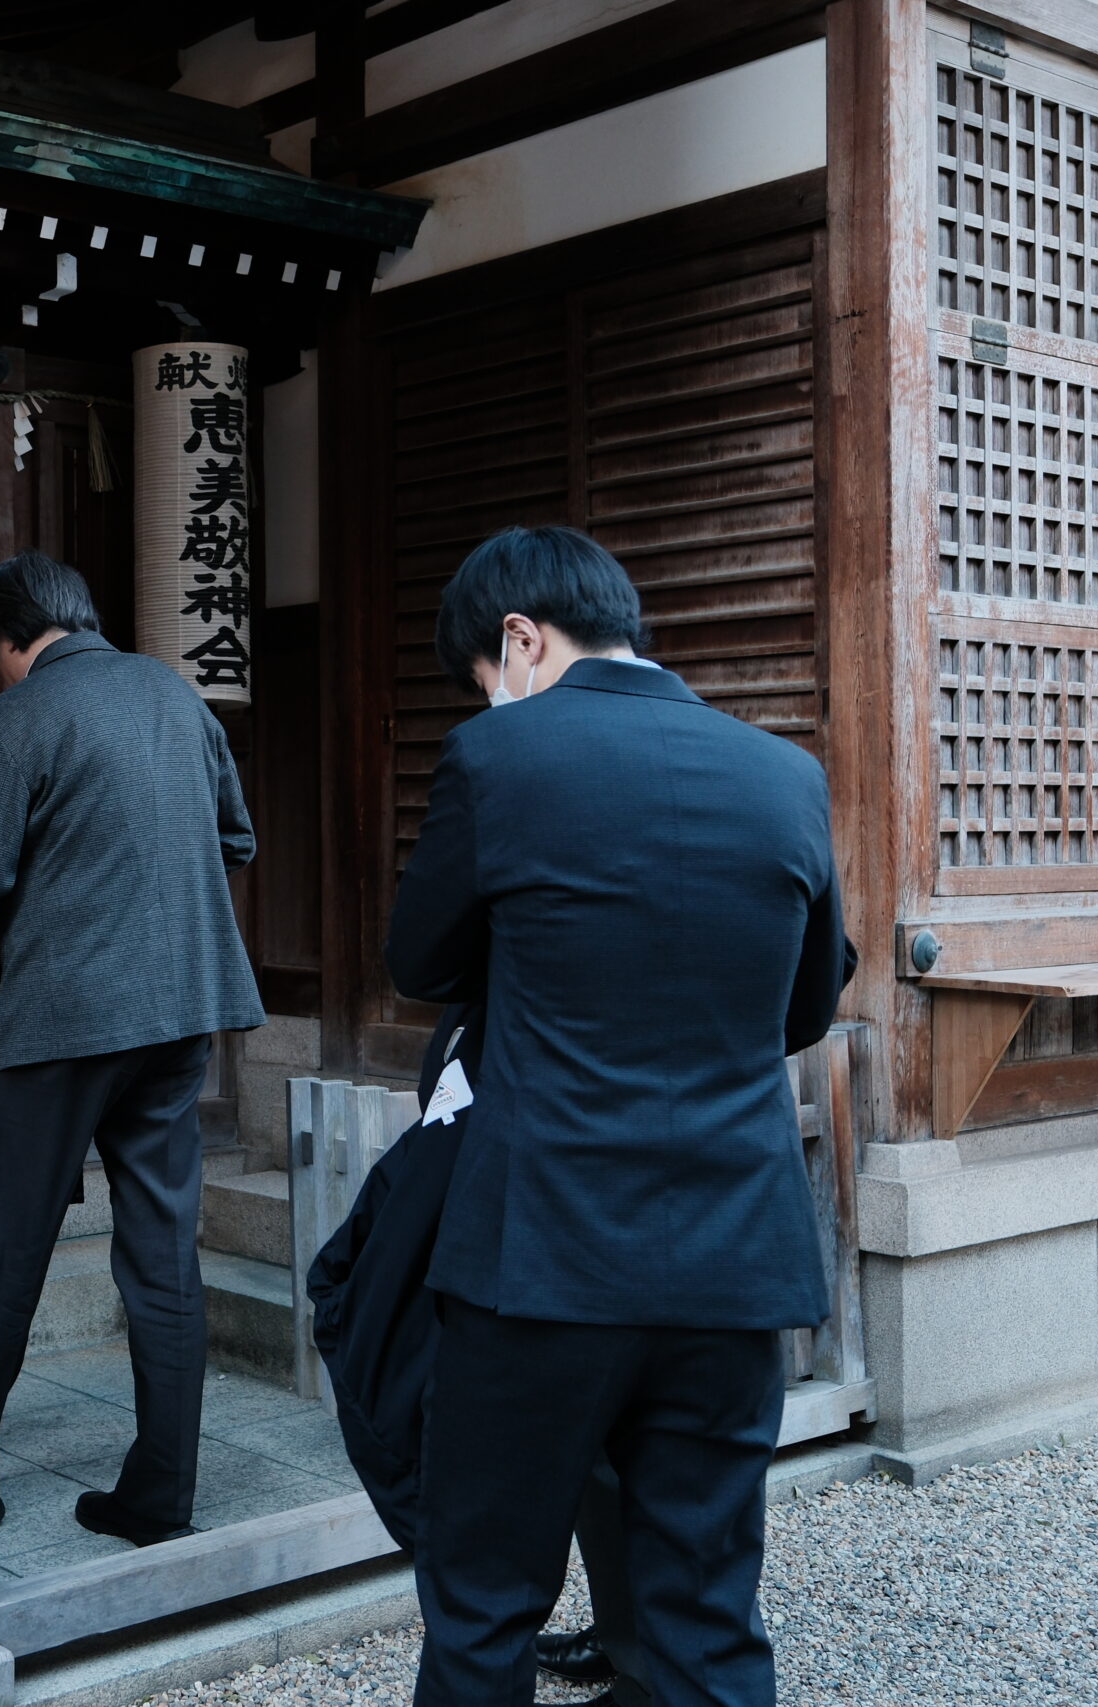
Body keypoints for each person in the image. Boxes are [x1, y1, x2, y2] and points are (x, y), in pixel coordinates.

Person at [386, 526, 853, 1707]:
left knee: (486, 1603)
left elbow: (419, 959)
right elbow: (803, 1006)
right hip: (735, 1261)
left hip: (539, 1258)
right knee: (703, 1608)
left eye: (487, 679)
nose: (490, 702)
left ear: (520, 641)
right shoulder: (785, 775)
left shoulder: (498, 762)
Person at [0, 551, 264, 1547]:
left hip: (63, 1014)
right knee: (162, 1255)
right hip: (181, 1007)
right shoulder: (176, 698)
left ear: (10, 640)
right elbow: (236, 840)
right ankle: (160, 1495)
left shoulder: (20, 717)